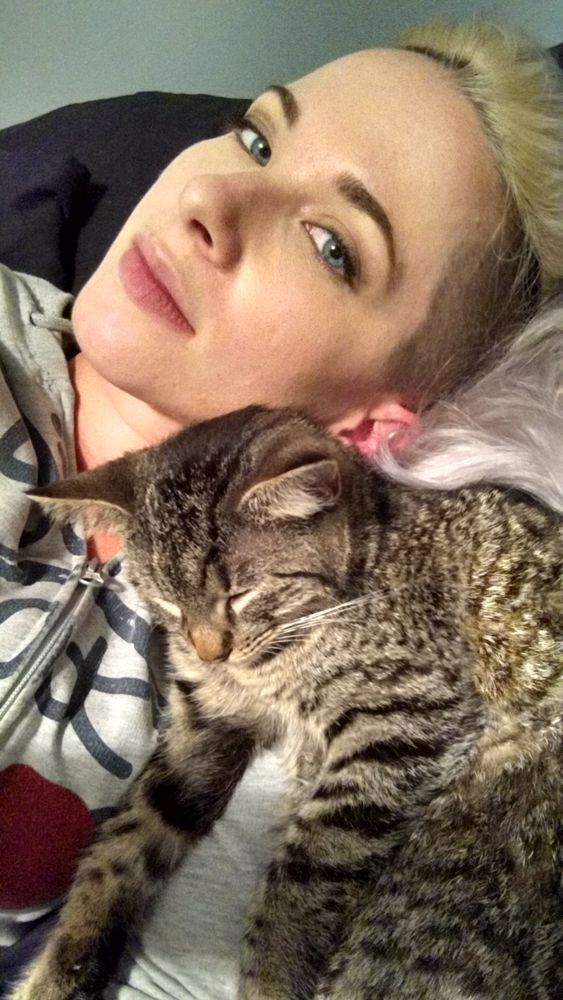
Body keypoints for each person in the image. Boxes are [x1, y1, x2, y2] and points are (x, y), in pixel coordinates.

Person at [0, 18, 561, 1000]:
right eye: (256, 136)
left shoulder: (336, 607)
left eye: (330, 245)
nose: (207, 198)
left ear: (367, 423)